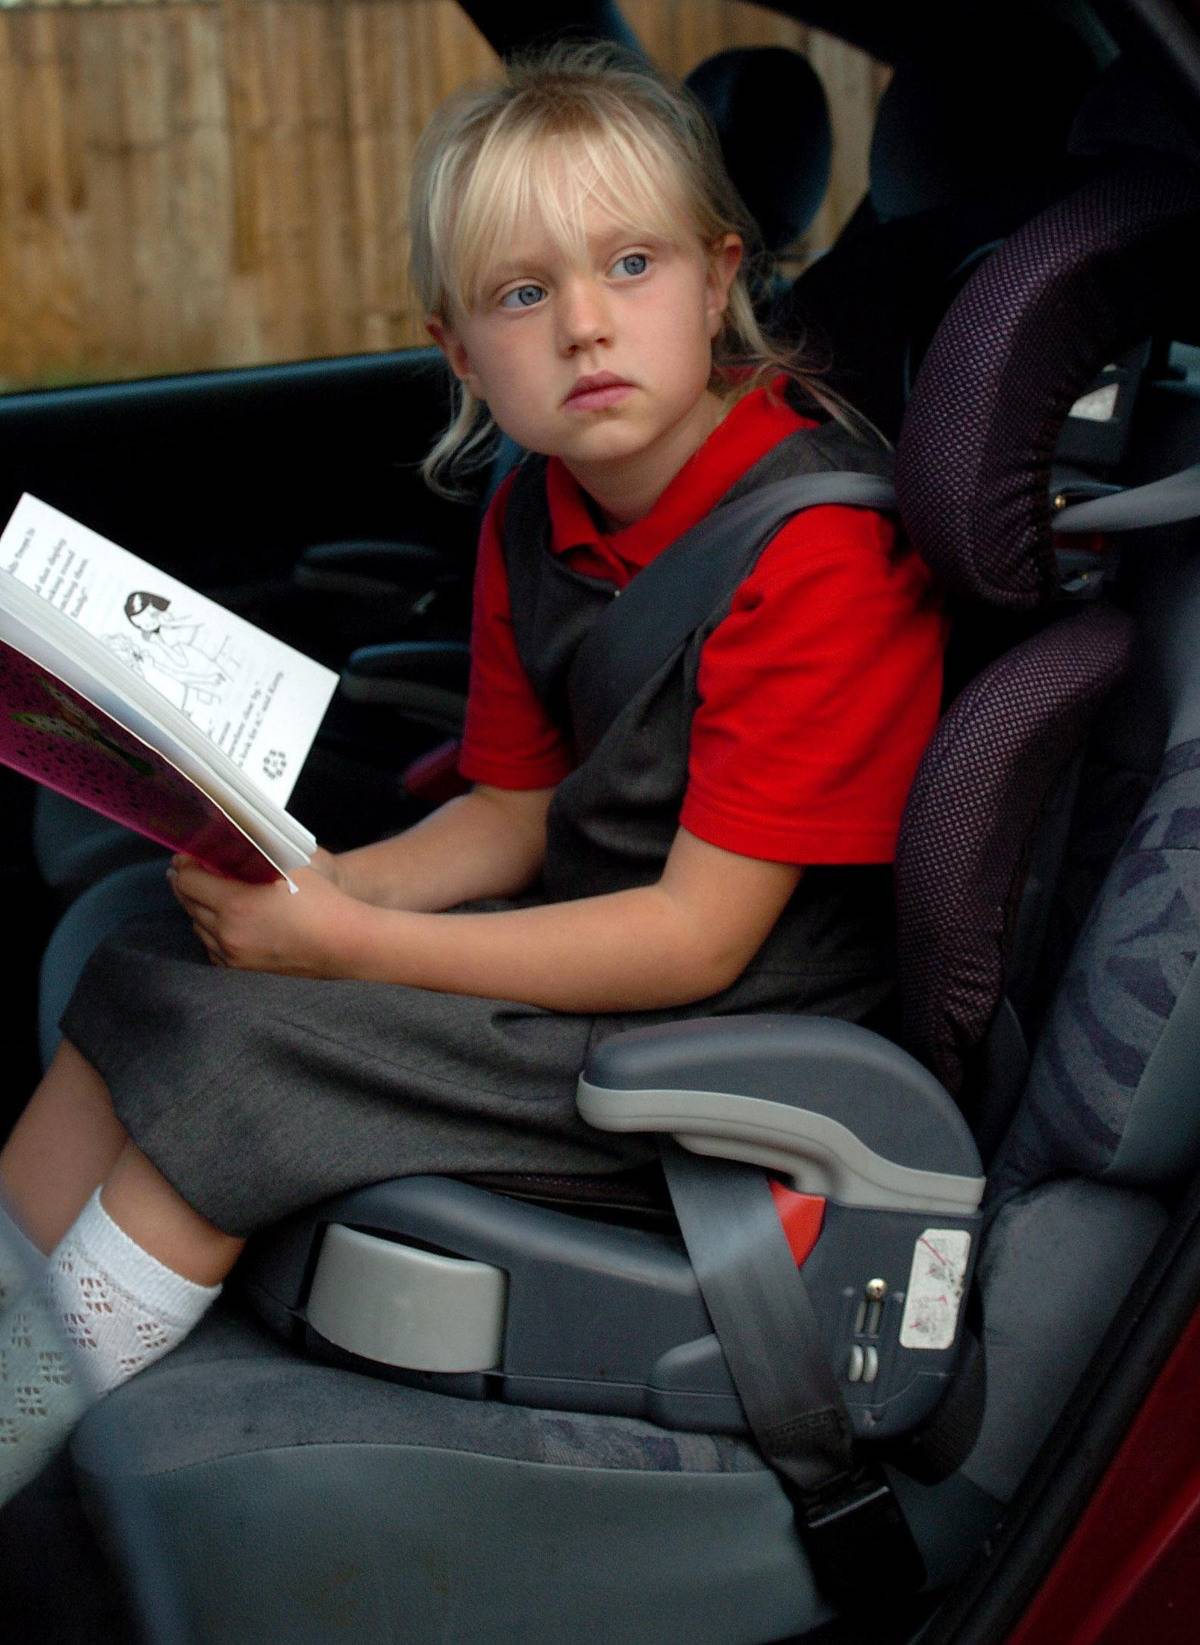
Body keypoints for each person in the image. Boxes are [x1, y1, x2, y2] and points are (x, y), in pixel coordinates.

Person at [0, 42, 944, 1503]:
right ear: (457, 349)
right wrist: (314, 883)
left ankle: (25, 1424)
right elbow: (512, 811)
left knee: (242, 1072)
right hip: (586, 963)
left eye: (630, 265)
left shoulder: (815, 556)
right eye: (524, 293)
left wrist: (354, 947)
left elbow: (699, 933)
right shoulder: (537, 511)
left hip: (724, 1036)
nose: (583, 326)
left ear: (717, 278)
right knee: (148, 965)